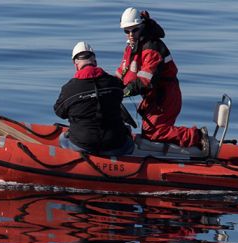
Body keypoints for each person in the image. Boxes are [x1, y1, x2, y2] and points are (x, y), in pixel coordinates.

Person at [117, 7, 208, 155]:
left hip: (165, 95)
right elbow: (124, 73)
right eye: (126, 31)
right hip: (154, 95)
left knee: (155, 132)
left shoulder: (152, 48)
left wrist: (125, 92)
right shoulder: (132, 47)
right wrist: (109, 86)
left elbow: (145, 80)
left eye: (134, 30)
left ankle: (197, 137)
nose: (130, 35)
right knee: (149, 131)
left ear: (142, 26)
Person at [54, 41, 134, 155]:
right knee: (128, 137)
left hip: (83, 144)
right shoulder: (115, 83)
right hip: (116, 144)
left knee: (63, 137)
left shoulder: (69, 89)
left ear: (76, 64)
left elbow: (59, 112)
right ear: (95, 62)